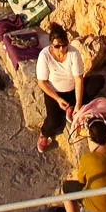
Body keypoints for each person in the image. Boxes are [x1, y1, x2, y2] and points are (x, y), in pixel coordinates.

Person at [34, 24, 88, 152]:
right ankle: (44, 134)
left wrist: (78, 104)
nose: (62, 49)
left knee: (97, 83)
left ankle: (72, 107)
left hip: (71, 89)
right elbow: (42, 82)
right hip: (54, 92)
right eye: (57, 46)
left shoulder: (74, 53)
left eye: (64, 45)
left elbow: (78, 79)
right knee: (53, 120)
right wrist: (57, 99)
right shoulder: (45, 56)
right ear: (51, 45)